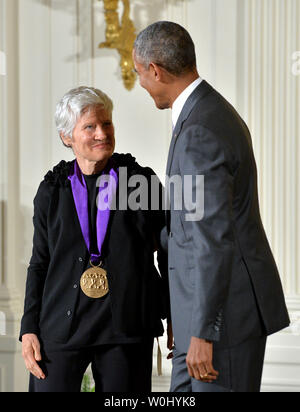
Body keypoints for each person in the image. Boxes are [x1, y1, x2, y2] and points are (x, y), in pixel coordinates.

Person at [133, 21, 290, 393]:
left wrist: (203, 331)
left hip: (222, 321)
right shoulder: (206, 112)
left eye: (140, 74)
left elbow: (212, 238)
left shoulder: (201, 127)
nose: (141, 83)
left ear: (155, 70)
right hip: (200, 314)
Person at [20, 86, 171, 392]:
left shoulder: (140, 182)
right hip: (61, 326)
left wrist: (175, 318)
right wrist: (28, 328)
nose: (102, 133)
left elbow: (168, 255)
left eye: (107, 123)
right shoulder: (51, 190)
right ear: (67, 137)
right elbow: (40, 263)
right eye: (89, 126)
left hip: (127, 327)